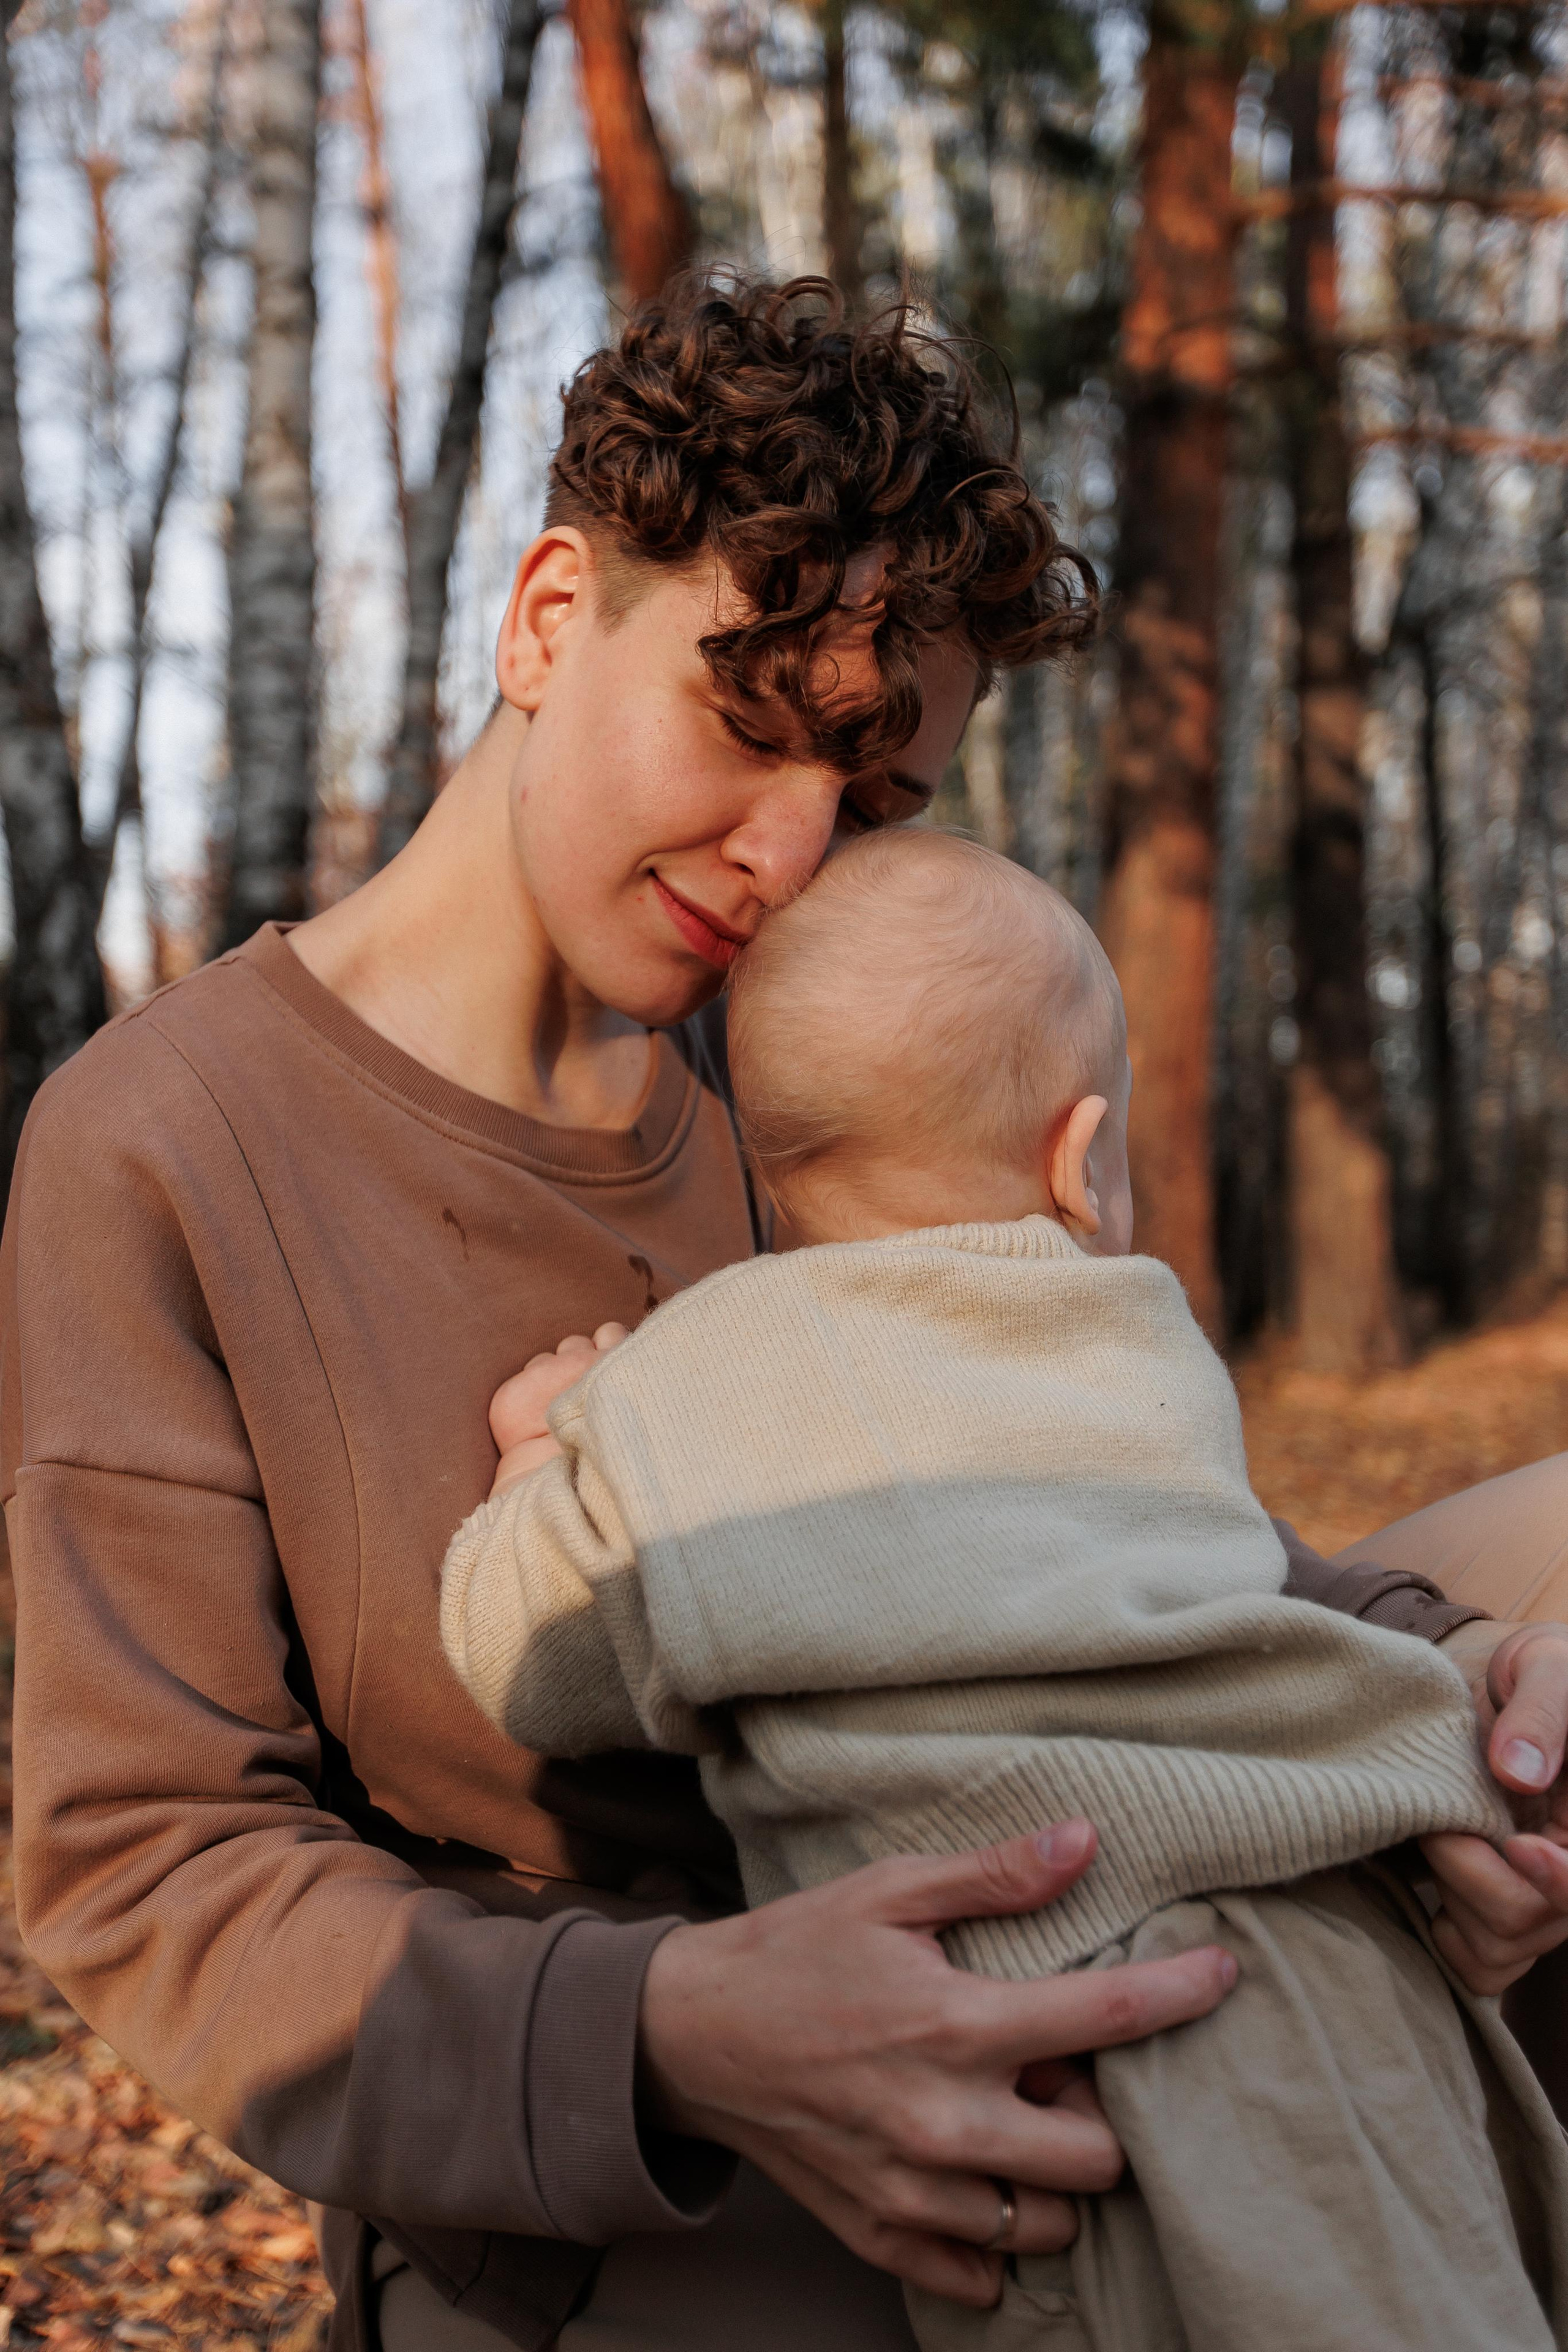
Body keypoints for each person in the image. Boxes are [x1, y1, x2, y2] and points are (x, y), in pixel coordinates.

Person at [5, 276, 1568, 2352]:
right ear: (552, 617)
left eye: (879, 795)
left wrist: (1466, 1708)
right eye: (754, 729)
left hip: (1106, 1960)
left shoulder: (824, 1091)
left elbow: (1086, 1530)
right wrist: (673, 2033)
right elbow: (150, 1866)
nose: (789, 854)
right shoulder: (169, 1143)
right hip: (643, 2190)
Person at [442, 827, 1568, 2352]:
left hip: (1056, 2039)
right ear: (1076, 1158)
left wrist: (531, 1472)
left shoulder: (686, 1395)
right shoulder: (1131, 1337)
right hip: (1344, 1938)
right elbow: (1226, 1592)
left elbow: (527, 1664)